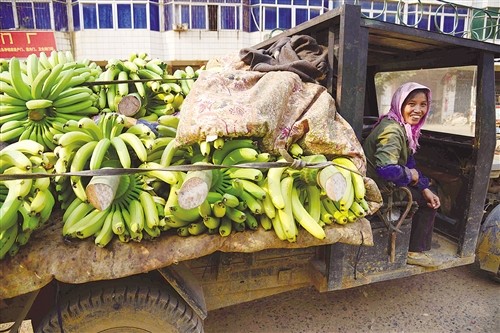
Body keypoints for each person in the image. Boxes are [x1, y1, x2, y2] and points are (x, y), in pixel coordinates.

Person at [362, 82, 441, 268]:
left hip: (384, 183)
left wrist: (423, 186)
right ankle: (415, 251)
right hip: (378, 189)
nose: (418, 109)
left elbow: (408, 162)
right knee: (429, 203)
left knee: (429, 191)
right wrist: (410, 175)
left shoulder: (402, 127)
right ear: (400, 104)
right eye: (411, 103)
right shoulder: (393, 130)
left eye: (423, 104)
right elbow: (387, 169)